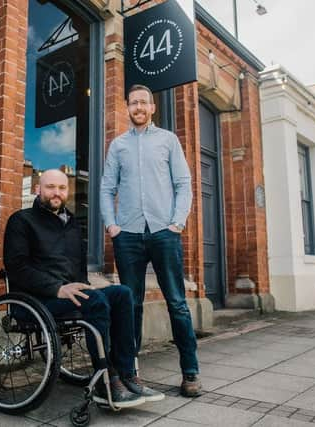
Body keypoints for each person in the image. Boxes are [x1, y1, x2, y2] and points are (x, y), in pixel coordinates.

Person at [3, 169, 164, 407]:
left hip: (70, 295)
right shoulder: (21, 220)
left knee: (122, 293)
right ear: (37, 189)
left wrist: (82, 287)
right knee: (94, 300)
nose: (56, 193)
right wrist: (57, 288)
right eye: (50, 187)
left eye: (62, 188)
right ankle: (105, 380)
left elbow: (78, 270)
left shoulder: (72, 225)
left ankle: (127, 373)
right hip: (36, 300)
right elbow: (16, 267)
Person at [100, 84, 202, 397]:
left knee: (177, 303)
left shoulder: (168, 140)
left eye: (144, 102)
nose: (139, 107)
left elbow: (184, 184)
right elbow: (106, 188)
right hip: (128, 235)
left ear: (152, 107)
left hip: (164, 232)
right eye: (134, 103)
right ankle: (131, 373)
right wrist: (112, 226)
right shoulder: (118, 146)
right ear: (127, 108)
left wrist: (177, 223)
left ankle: (190, 373)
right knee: (131, 305)